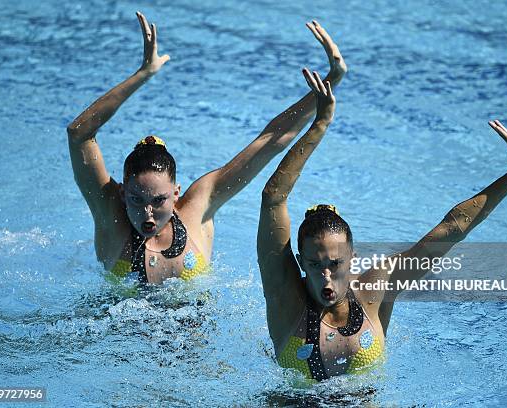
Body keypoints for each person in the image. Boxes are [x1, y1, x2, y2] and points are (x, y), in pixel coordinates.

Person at [257, 71, 507, 380]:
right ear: (300, 262)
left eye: (336, 264)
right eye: (314, 264)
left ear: (352, 258)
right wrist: (320, 124)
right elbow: (273, 197)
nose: (326, 275)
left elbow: (450, 230)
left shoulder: (375, 291)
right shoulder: (285, 298)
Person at [67, 12, 347, 284]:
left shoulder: (198, 207)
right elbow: (79, 133)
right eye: (137, 200)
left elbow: (270, 140)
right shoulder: (109, 215)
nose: (148, 214)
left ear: (176, 193)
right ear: (122, 192)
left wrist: (331, 81)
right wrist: (143, 74)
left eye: (159, 200)